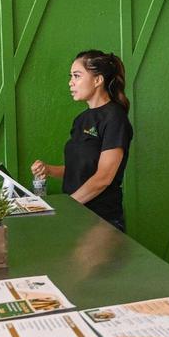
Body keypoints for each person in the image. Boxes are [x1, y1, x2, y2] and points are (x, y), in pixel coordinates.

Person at [32, 50, 133, 232]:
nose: (70, 82)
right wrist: (49, 170)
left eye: (77, 76)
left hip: (101, 219)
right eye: (70, 76)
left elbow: (103, 177)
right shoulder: (81, 120)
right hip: (77, 216)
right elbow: (79, 169)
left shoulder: (115, 118)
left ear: (97, 80)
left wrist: (66, 206)